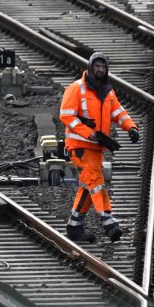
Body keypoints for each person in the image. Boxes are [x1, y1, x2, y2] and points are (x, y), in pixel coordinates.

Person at [59, 52, 138, 243]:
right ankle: (108, 221)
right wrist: (89, 133)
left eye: (103, 67)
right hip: (80, 145)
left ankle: (74, 227)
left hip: (97, 147)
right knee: (95, 180)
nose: (100, 70)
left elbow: (118, 112)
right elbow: (66, 115)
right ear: (90, 67)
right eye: (97, 66)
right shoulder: (76, 88)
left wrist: (131, 127)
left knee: (88, 186)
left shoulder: (107, 91)